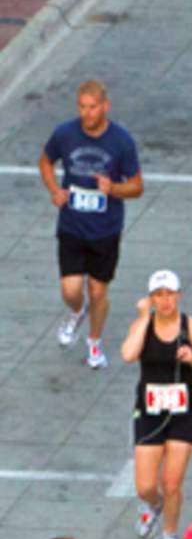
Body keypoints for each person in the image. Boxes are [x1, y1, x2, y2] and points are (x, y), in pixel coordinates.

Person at [38, 79, 143, 370]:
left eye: (93, 107)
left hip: (105, 230)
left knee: (98, 291)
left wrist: (114, 189)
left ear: (105, 107)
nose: (87, 113)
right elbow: (45, 162)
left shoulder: (121, 141)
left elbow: (137, 186)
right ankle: (76, 312)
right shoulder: (65, 134)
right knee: (71, 290)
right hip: (72, 225)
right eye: (82, 107)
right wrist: (54, 190)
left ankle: (94, 343)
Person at [121, 269, 192, 539]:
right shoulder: (144, 325)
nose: (165, 301)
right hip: (150, 410)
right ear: (151, 298)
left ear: (179, 295)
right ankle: (153, 505)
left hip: (183, 411)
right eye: (158, 295)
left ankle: (169, 534)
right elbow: (128, 354)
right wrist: (143, 318)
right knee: (145, 485)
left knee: (173, 481)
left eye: (169, 294)